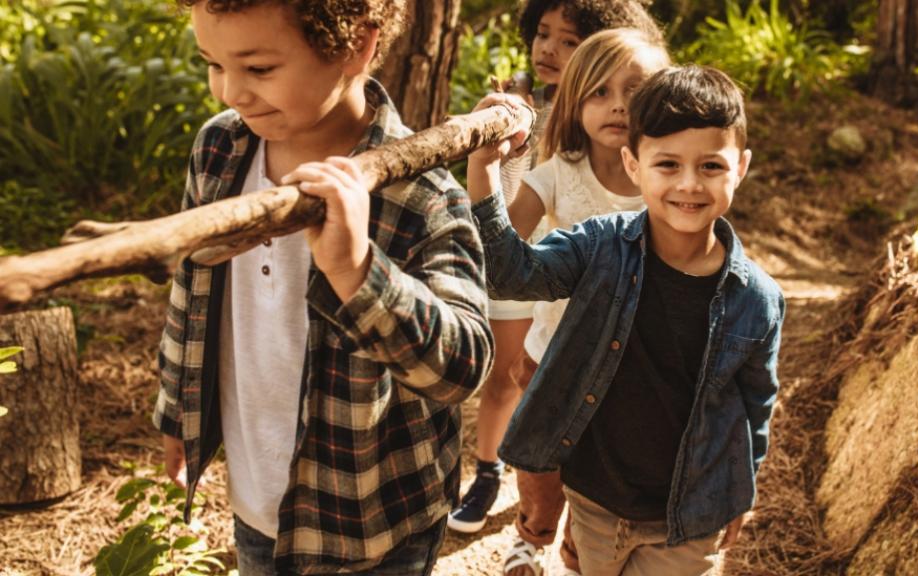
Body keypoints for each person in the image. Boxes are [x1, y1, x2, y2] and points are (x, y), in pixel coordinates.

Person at [154, 1, 493, 574]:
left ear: (357, 46)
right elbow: (191, 296)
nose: (230, 92)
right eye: (212, 63)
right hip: (259, 507)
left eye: (259, 69)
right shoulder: (219, 151)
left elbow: (464, 364)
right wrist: (177, 417)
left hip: (373, 525)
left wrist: (359, 270)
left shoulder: (421, 195)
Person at [469, 65, 785, 575]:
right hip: (595, 501)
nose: (689, 184)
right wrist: (484, 167)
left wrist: (741, 490)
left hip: (688, 517)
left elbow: (754, 404)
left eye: (710, 166)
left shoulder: (757, 299)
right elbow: (508, 274)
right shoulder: (599, 248)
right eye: (667, 164)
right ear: (633, 164)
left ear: (740, 167)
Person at [449, 0, 666, 547]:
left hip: (627, 358)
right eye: (600, 93)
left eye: (633, 93)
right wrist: (487, 164)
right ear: (579, 100)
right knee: (538, 456)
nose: (617, 106)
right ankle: (529, 526)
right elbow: (504, 248)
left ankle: (577, 544)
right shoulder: (549, 156)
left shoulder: (667, 180)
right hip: (551, 339)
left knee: (597, 469)